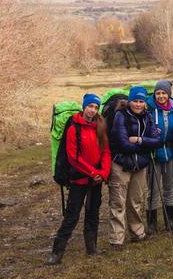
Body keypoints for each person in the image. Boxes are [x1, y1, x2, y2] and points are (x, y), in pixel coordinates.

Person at [47, 93, 111, 265]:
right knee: (71, 216)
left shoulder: (100, 126)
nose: (92, 110)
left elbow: (106, 151)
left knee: (93, 213)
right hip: (79, 180)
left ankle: (92, 247)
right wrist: (93, 173)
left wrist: (103, 173)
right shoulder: (74, 127)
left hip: (96, 180)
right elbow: (73, 157)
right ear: (84, 106)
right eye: (90, 106)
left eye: (96, 107)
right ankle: (56, 253)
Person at [108, 86, 160, 248]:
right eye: (135, 101)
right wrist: (146, 144)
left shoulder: (148, 116)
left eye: (141, 101)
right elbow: (123, 144)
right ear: (129, 101)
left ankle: (137, 232)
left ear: (145, 103)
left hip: (140, 165)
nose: (138, 104)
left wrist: (138, 140)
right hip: (121, 164)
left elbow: (158, 141)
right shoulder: (120, 116)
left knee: (136, 200)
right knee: (118, 202)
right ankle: (117, 238)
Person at [146, 80, 173, 233]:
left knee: (169, 187)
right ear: (154, 94)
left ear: (168, 94)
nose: (161, 96)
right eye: (158, 93)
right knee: (153, 189)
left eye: (164, 93)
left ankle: (170, 220)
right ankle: (151, 224)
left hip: (171, 151)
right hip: (154, 153)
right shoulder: (148, 109)